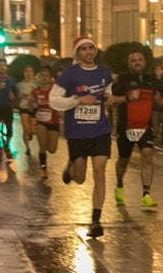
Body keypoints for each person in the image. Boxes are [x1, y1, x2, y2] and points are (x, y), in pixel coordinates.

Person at [48, 36, 116, 238]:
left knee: (100, 173)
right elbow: (54, 100)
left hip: (100, 131)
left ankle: (96, 221)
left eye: (91, 48)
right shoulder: (69, 74)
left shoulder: (104, 72)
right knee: (80, 178)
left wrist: (109, 98)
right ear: (77, 53)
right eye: (84, 49)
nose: (88, 52)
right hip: (77, 133)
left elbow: (109, 93)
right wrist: (77, 100)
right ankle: (71, 167)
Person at [111, 49, 162, 208]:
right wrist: (127, 97)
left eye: (140, 60)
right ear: (129, 63)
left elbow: (156, 98)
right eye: (133, 60)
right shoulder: (122, 80)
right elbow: (113, 101)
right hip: (126, 128)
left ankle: (146, 194)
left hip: (145, 127)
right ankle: (119, 185)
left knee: (147, 156)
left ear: (145, 62)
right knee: (123, 161)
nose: (137, 63)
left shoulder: (151, 80)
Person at [28, 66, 61, 178]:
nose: (44, 78)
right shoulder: (35, 91)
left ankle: (47, 140)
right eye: (42, 75)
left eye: (47, 76)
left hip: (53, 122)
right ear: (39, 77)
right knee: (42, 148)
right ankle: (43, 169)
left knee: (52, 150)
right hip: (40, 122)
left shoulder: (55, 90)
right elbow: (30, 107)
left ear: (50, 78)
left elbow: (62, 102)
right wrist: (30, 103)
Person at [16, 68, 40, 164]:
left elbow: (40, 95)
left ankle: (30, 133)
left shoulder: (36, 85)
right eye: (27, 71)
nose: (29, 73)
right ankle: (27, 147)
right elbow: (16, 96)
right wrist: (20, 96)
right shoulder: (19, 85)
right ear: (24, 73)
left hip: (34, 108)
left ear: (33, 74)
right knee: (26, 129)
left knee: (33, 130)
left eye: (31, 71)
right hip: (24, 107)